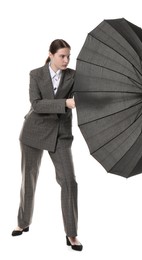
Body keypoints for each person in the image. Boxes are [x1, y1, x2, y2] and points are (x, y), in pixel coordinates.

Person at [12, 39, 83, 251]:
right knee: (29, 178)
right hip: (33, 132)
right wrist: (65, 103)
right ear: (50, 55)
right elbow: (36, 104)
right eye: (62, 56)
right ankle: (23, 222)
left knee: (69, 181)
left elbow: (85, 95)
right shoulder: (36, 74)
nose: (66, 60)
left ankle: (71, 234)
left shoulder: (73, 76)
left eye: (68, 56)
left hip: (60, 134)